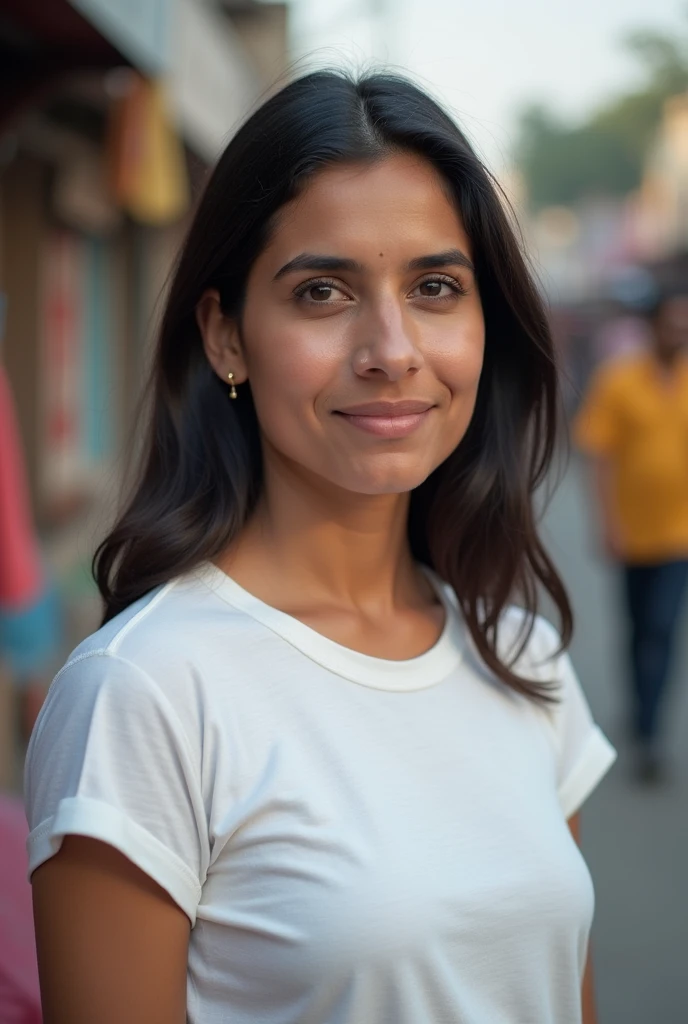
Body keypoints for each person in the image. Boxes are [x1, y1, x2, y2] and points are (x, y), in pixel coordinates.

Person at [24, 70, 616, 1024]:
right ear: (226, 334)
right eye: (323, 291)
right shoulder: (142, 694)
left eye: (434, 287)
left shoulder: (521, 654)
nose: (392, 348)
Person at [574, 289, 688, 783]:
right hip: (631, 532)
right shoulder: (620, 381)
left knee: (661, 629)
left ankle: (648, 733)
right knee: (638, 628)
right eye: (673, 323)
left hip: (679, 534)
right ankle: (640, 706)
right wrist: (608, 523)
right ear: (653, 326)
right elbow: (599, 455)